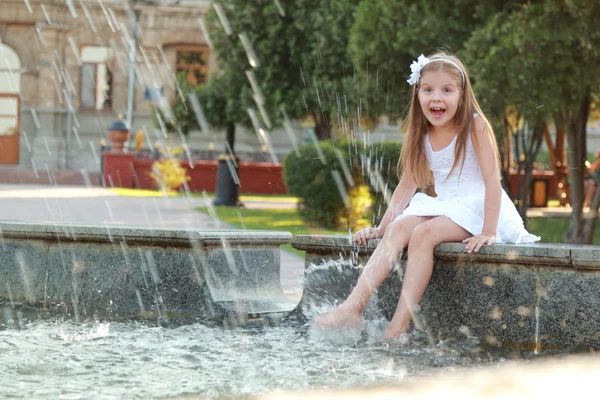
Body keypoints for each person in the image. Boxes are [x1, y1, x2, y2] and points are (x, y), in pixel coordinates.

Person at [314, 52, 540, 341]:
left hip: (480, 207)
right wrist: (381, 228)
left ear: (462, 94)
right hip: (448, 206)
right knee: (399, 229)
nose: (437, 98)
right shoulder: (420, 134)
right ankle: (352, 306)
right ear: (417, 94)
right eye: (428, 90)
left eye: (447, 90)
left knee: (424, 233)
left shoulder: (474, 126)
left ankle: (398, 327)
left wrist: (488, 230)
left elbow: (491, 181)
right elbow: (407, 187)